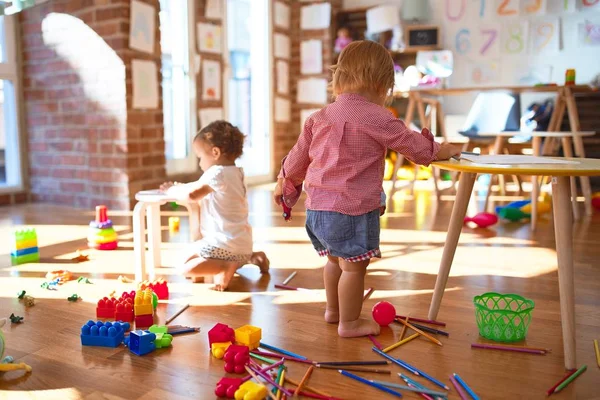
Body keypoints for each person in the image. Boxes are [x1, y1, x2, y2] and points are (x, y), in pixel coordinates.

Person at [274, 41, 460, 337]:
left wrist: (285, 181)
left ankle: (333, 312)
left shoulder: (318, 117)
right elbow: (411, 145)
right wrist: (439, 150)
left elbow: (297, 158)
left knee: (333, 261)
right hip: (351, 210)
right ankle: (349, 323)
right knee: (354, 268)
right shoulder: (378, 116)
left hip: (317, 210)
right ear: (379, 84)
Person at [161, 120, 269, 291]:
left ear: (215, 152)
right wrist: (183, 186)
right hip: (242, 244)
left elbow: (192, 194)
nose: (199, 163)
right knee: (191, 255)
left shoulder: (216, 173)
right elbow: (198, 187)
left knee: (184, 268)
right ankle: (252, 257)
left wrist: (171, 190)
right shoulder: (236, 172)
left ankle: (226, 267)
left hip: (223, 245)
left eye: (200, 157)